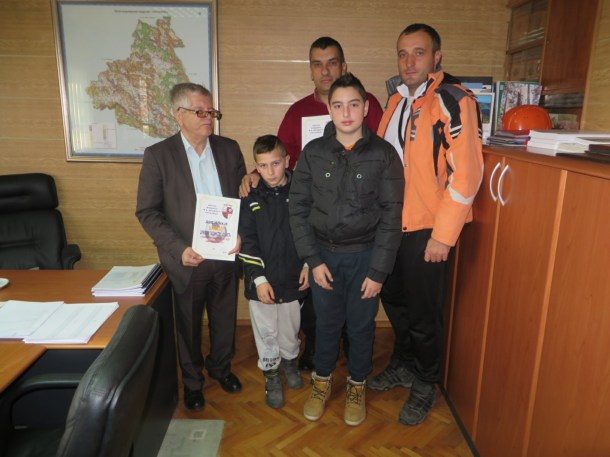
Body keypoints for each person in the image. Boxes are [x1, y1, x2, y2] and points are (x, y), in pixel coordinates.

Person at [240, 36, 385, 370]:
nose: (325, 70)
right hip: (314, 218)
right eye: (317, 64)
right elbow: (278, 154)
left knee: (354, 302)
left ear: (344, 66)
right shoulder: (297, 112)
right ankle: (318, 350)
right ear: (310, 70)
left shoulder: (368, 104)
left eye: (332, 62)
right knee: (318, 293)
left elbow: (380, 151)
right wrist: (255, 174)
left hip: (359, 220)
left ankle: (352, 358)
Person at [368, 23, 484, 426]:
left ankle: (425, 381)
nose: (409, 61)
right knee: (394, 299)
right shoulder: (395, 100)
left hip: (427, 229)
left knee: (423, 314)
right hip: (390, 227)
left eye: (419, 53)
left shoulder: (453, 99)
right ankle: (403, 362)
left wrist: (443, 236)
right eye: (402, 53)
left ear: (437, 57)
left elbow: (467, 174)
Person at [289, 73, 404, 426]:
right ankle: (321, 381)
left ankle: (357, 385)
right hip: (324, 257)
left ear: (366, 108)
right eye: (338, 105)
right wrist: (312, 259)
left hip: (366, 257)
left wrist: (378, 271)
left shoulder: (384, 155)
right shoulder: (313, 153)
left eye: (354, 104)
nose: (346, 112)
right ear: (329, 110)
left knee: (361, 325)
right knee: (325, 323)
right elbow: (298, 209)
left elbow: (391, 216)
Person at [136, 82, 246, 412]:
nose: (208, 117)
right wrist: (178, 248)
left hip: (225, 256)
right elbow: (147, 212)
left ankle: (221, 368)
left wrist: (241, 233)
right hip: (187, 259)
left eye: (211, 111)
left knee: (224, 319)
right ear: (178, 115)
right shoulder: (159, 156)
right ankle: (193, 383)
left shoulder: (229, 149)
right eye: (200, 111)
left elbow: (244, 198)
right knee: (187, 326)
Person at [238, 135, 309, 409]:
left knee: (290, 329)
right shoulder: (250, 197)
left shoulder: (302, 193)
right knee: (266, 331)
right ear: (256, 166)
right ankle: (270, 373)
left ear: (287, 161)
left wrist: (308, 264)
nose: (270, 171)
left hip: (292, 278)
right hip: (261, 283)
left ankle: (290, 363)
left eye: (276, 163)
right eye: (263, 165)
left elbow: (311, 232)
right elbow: (247, 241)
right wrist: (258, 279)